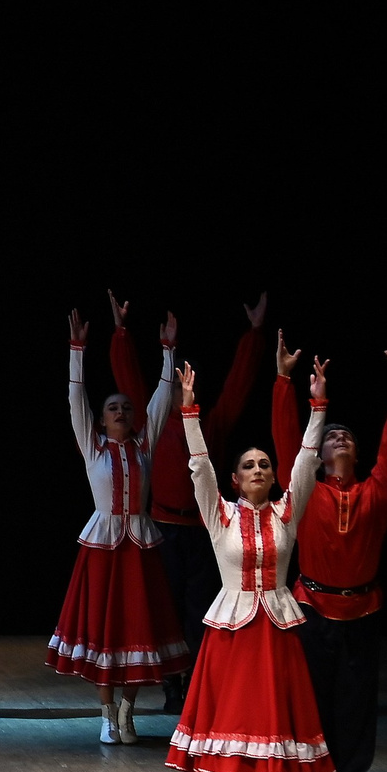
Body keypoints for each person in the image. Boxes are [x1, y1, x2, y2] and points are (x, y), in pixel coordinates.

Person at [165, 358, 335, 772]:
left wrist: (318, 405)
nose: (258, 470)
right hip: (233, 633)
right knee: (232, 732)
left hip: (277, 630)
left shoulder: (288, 511)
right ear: (236, 480)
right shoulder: (219, 514)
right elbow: (199, 467)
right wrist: (190, 412)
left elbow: (307, 459)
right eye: (249, 466)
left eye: (264, 464)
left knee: (273, 729)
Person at [271, 331, 387, 772]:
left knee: (354, 707)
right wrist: (286, 382)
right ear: (322, 454)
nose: (339, 438)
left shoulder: (377, 490)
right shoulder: (306, 491)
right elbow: (290, 442)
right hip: (312, 609)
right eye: (332, 435)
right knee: (314, 706)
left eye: (346, 435)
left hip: (363, 611)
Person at [114, 292, 269, 711]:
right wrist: (122, 333)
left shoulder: (211, 425)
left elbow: (240, 383)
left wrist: (255, 335)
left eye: (191, 390)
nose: (185, 396)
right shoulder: (155, 423)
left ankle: (198, 684)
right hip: (163, 529)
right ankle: (171, 686)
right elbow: (129, 383)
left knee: (200, 610)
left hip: (203, 533)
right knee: (166, 613)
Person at [49, 304, 189, 741]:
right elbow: (75, 401)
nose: (121, 411)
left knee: (139, 632)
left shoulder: (144, 446)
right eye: (113, 407)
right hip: (104, 549)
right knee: (106, 634)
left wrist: (168, 350)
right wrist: (77, 350)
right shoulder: (93, 448)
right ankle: (107, 715)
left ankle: (128, 711)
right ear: (103, 417)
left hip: (140, 548)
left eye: (127, 407)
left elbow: (163, 400)